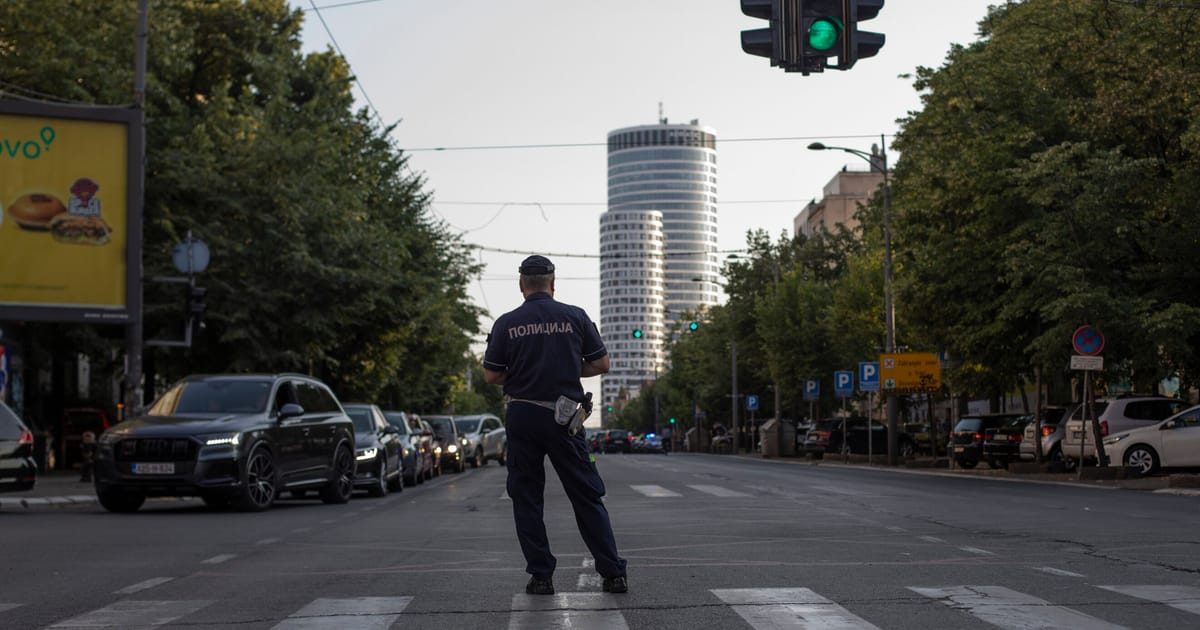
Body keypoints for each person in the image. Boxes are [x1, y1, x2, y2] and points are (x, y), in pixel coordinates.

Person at [483, 255, 628, 596]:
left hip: (522, 415)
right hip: (565, 419)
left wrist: (524, 372)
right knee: (586, 495)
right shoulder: (575, 316)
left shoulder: (507, 323)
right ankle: (612, 574)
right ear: (553, 283)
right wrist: (564, 367)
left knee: (527, 497)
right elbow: (602, 363)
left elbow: (491, 374)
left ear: (521, 286)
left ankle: (541, 576)